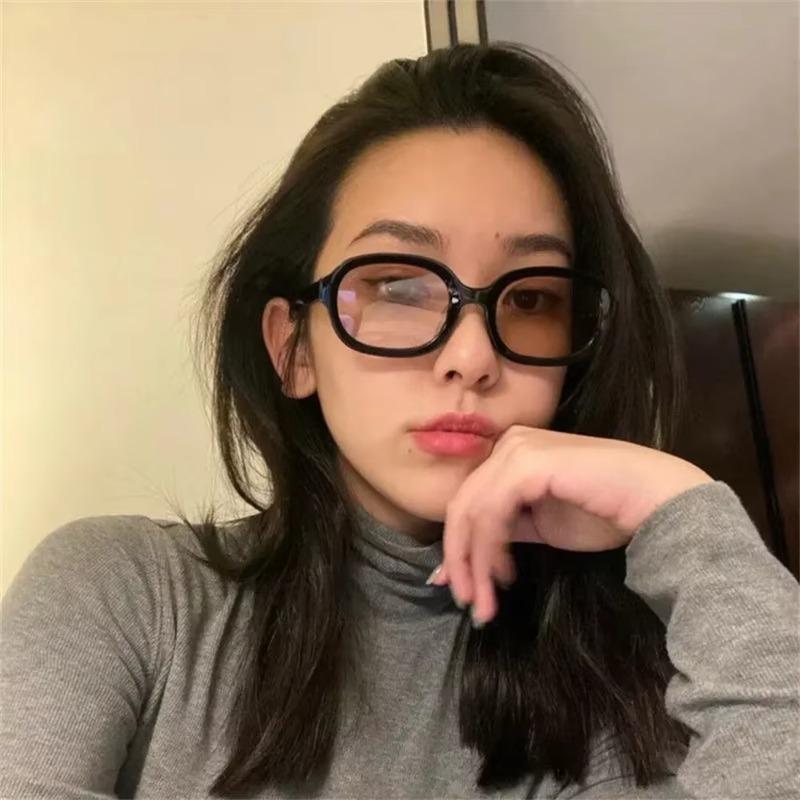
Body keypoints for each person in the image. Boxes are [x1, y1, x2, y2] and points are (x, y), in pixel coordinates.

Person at [2, 41, 798, 800]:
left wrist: (680, 511)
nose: (473, 356)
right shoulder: (123, 595)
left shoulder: (623, 692)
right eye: (397, 286)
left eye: (531, 298)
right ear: (293, 348)